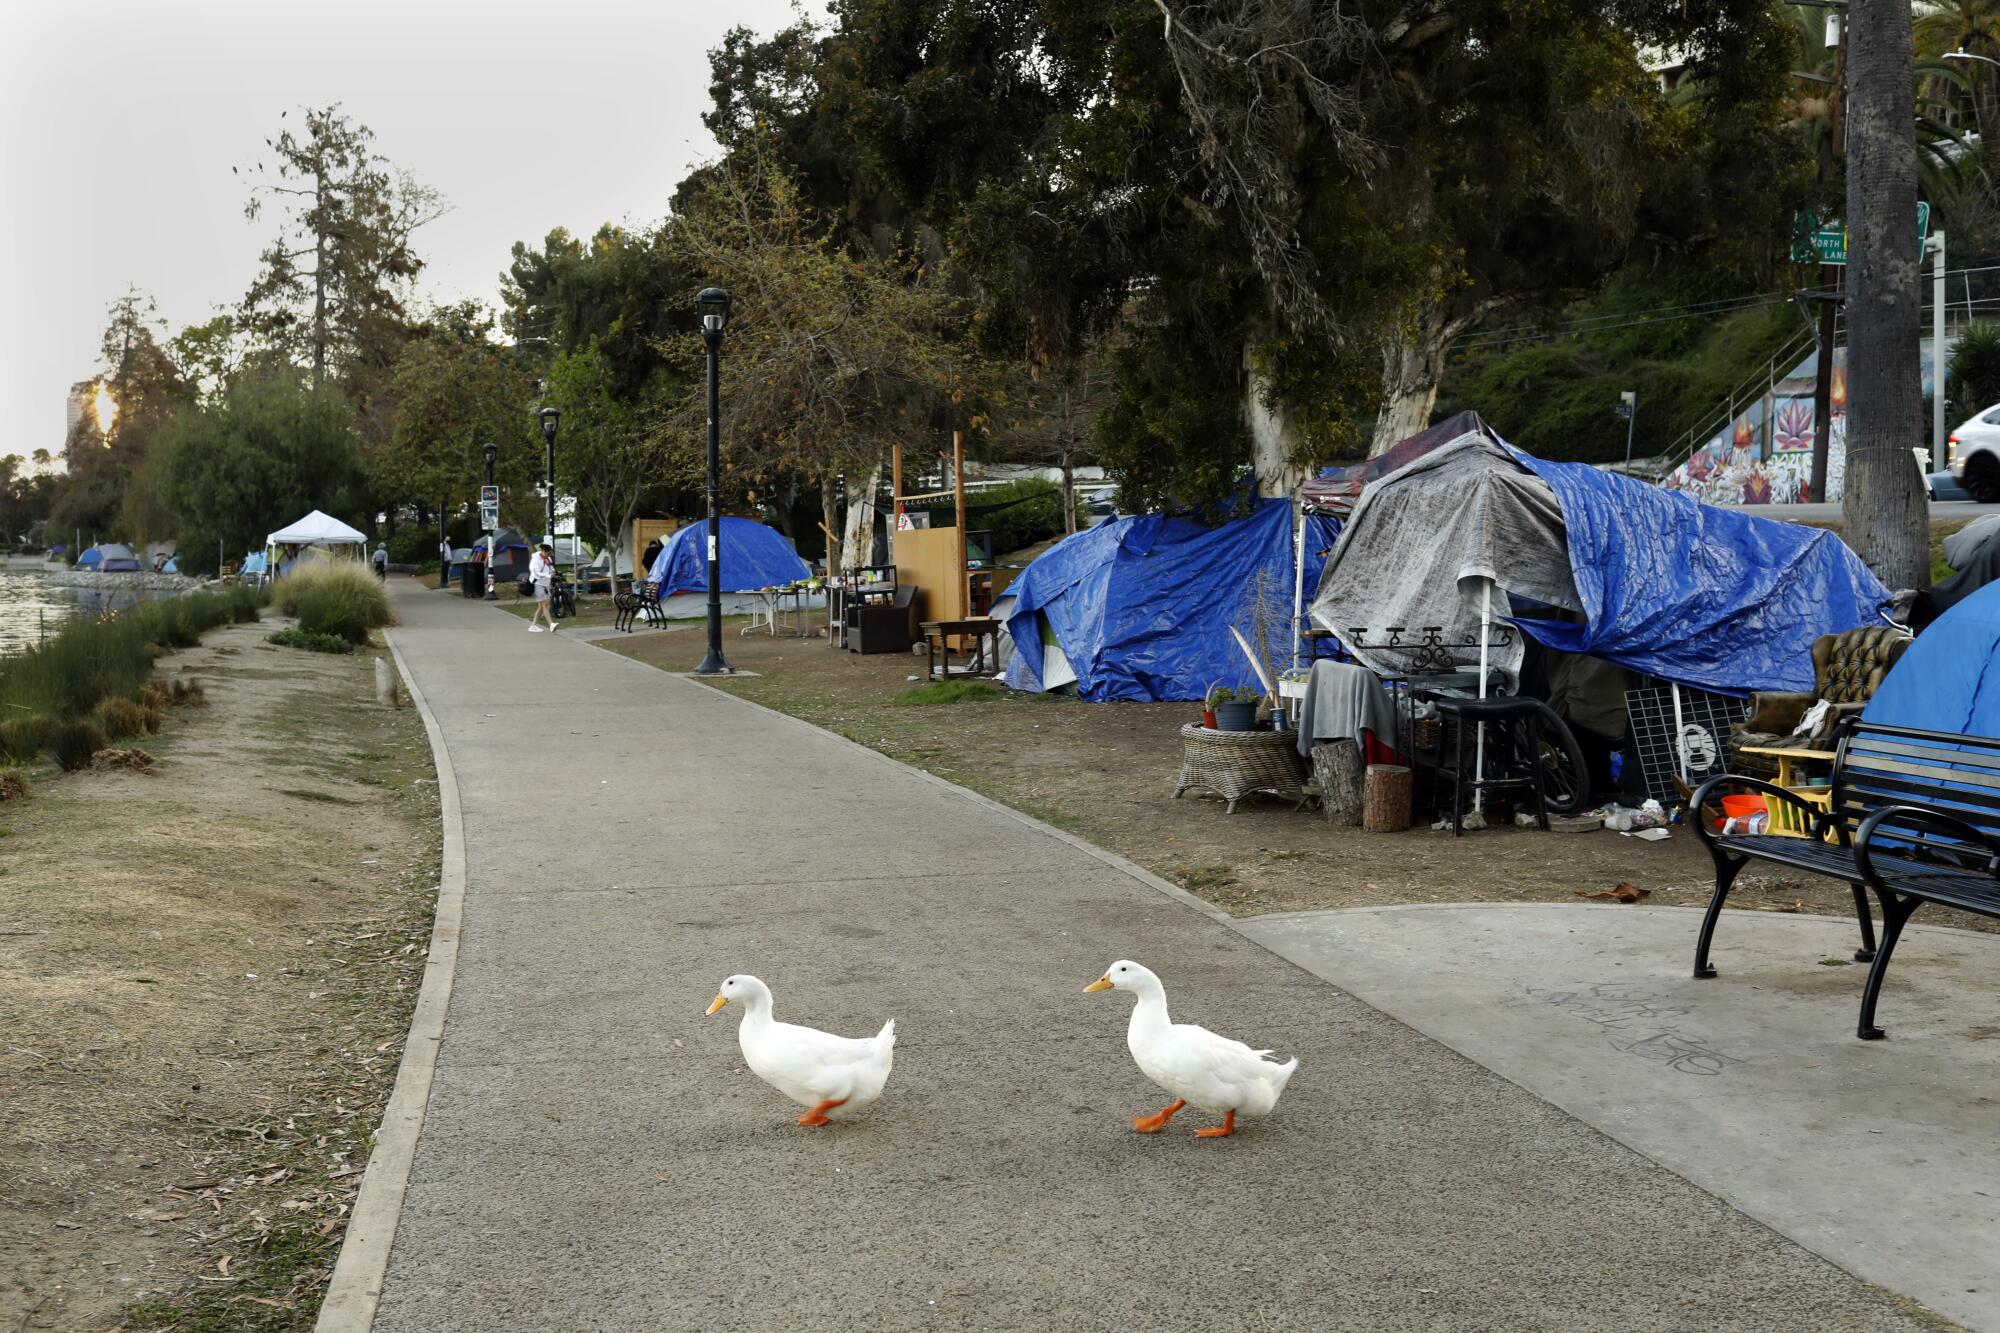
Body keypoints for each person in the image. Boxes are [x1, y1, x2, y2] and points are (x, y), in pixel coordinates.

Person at [527, 541, 558, 633]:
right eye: (548, 553)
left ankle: (533, 626)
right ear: (543, 551)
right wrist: (548, 575)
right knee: (545, 604)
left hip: (545, 584)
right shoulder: (535, 560)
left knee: (542, 606)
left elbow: (551, 568)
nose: (549, 555)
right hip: (537, 583)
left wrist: (554, 572)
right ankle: (551, 624)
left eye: (550, 553)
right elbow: (536, 573)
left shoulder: (548, 559)